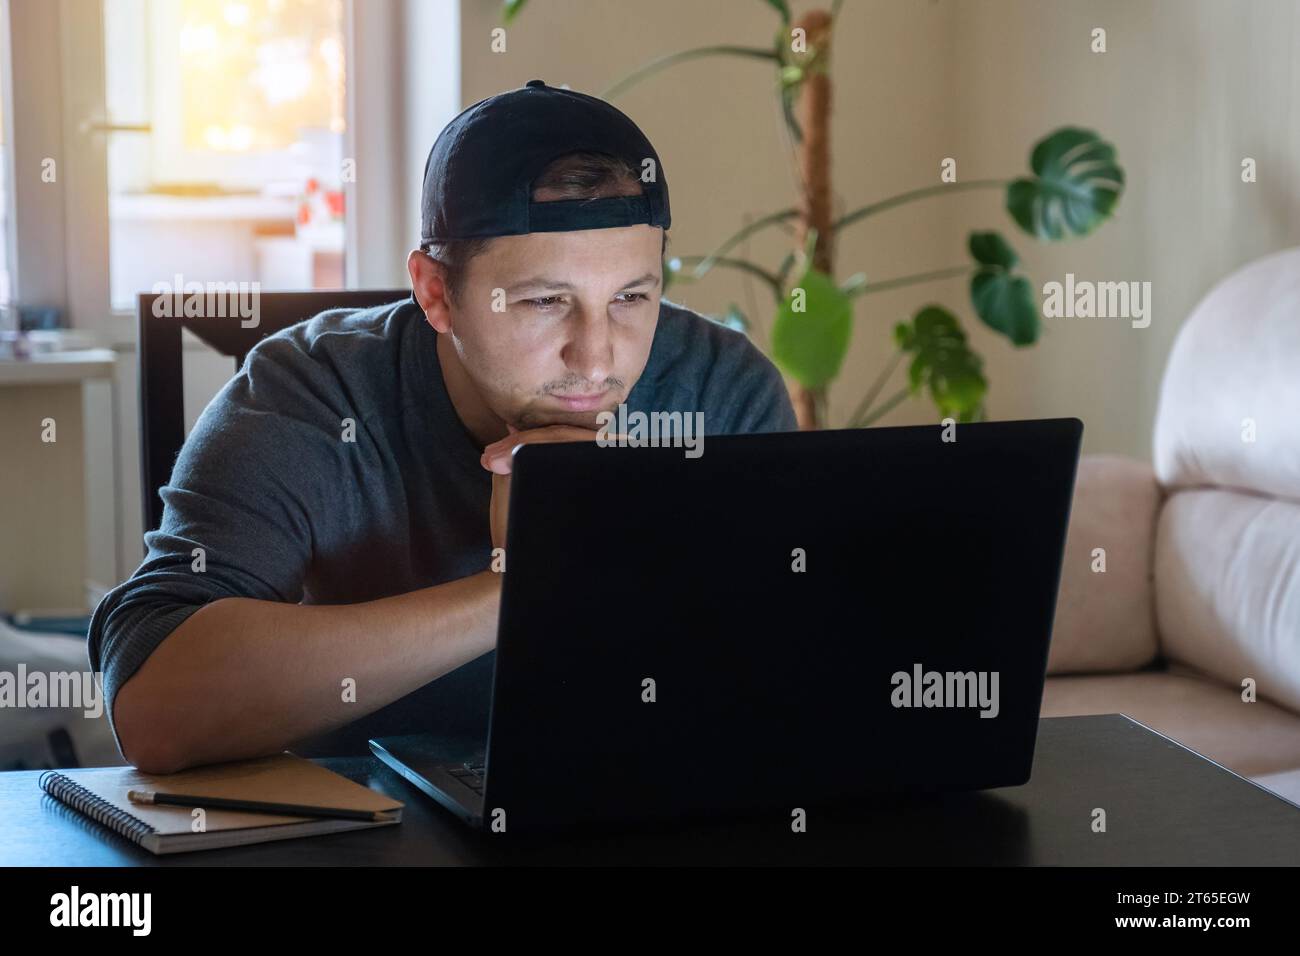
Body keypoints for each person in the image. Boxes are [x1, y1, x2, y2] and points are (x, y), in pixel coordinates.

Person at [88, 79, 797, 774]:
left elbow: (796, 680)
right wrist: (515, 586)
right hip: (366, 837)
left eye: (632, 297)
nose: (598, 354)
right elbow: (155, 710)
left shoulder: (720, 389)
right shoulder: (309, 393)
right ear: (436, 292)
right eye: (546, 301)